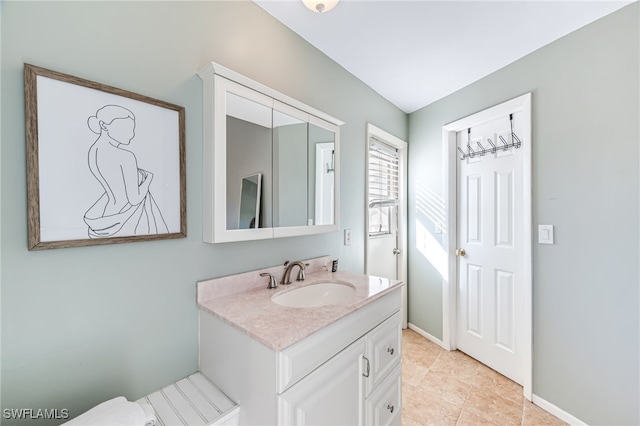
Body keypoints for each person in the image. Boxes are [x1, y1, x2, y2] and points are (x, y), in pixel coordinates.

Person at [84, 105, 168, 238]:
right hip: (127, 218)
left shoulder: (94, 151)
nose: (132, 134)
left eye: (132, 129)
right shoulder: (126, 156)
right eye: (125, 128)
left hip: (108, 213)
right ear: (104, 126)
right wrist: (148, 178)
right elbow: (134, 199)